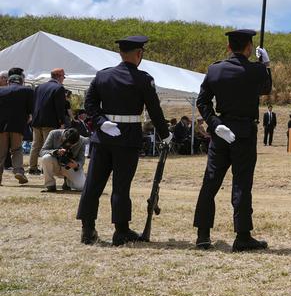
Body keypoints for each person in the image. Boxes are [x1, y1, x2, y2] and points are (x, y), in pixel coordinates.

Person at [77, 37, 171, 246]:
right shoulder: (143, 79)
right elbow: (154, 110)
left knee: (93, 184)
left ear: (120, 53)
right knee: (121, 186)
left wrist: (101, 122)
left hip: (102, 137)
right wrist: (165, 134)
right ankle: (120, 231)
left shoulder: (102, 76)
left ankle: (87, 229)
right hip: (128, 138)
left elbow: (89, 104)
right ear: (139, 54)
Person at [193, 30, 272, 252]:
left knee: (210, 182)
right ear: (249, 47)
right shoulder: (256, 70)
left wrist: (215, 123)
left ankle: (202, 235)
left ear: (229, 47)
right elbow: (266, 88)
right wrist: (265, 65)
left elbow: (203, 102)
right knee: (242, 184)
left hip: (221, 131)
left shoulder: (214, 69)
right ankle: (242, 235)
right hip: (244, 132)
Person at [29, 68, 68, 174]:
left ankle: (32, 167)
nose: (64, 79)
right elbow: (60, 107)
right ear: (58, 76)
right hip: (50, 122)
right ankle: (45, 168)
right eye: (63, 76)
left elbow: (34, 104)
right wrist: (62, 122)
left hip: (37, 120)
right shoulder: (59, 88)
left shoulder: (39, 87)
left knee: (36, 145)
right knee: (49, 146)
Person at [0, 68, 33, 185]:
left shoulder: (1, 90)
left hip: (1, 126)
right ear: (21, 81)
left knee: (1, 151)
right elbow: (31, 109)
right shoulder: (27, 90)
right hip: (18, 125)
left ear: (9, 81)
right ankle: (18, 171)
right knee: (17, 149)